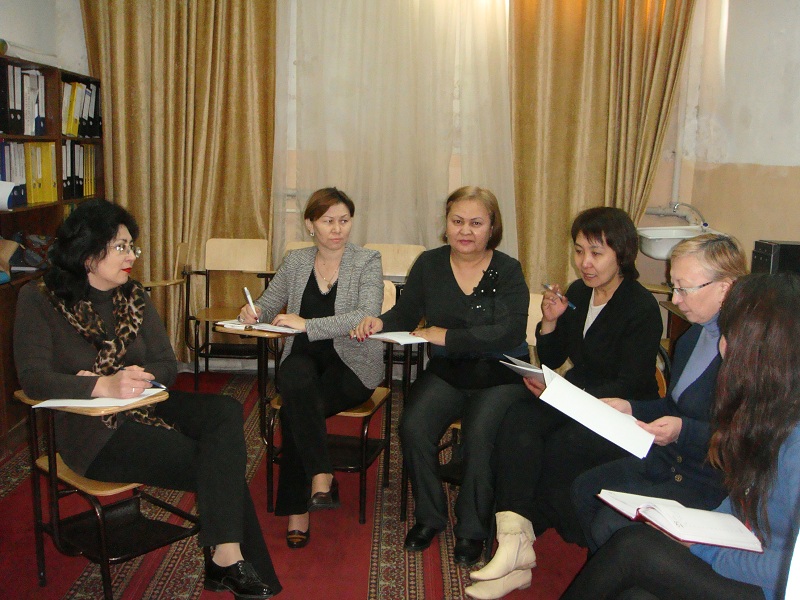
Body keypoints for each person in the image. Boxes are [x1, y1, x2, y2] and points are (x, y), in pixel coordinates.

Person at [13, 199, 280, 599]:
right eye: (121, 247)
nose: (132, 257)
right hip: (91, 430)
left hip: (144, 403)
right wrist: (102, 385)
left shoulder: (133, 295)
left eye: (131, 247)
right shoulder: (40, 299)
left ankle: (226, 558)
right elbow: (33, 379)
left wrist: (139, 378)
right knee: (215, 460)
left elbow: (167, 364)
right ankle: (228, 560)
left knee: (225, 411)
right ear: (88, 253)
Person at [561, 272, 800, 600]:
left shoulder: (794, 440)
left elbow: (789, 568)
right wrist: (697, 527)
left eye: (731, 335)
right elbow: (742, 501)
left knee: (633, 548)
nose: (722, 345)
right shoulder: (768, 408)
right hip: (746, 552)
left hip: (773, 585)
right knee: (634, 593)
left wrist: (702, 547)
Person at [464, 207, 663, 599]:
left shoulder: (640, 307)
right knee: (517, 421)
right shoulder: (579, 292)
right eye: (579, 251)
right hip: (577, 398)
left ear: (622, 255)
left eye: (596, 253)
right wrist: (550, 322)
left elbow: (629, 382)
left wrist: (567, 396)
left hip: (621, 414)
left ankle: (518, 551)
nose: (585, 263)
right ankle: (514, 545)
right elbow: (555, 357)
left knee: (556, 447)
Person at [353, 185, 530, 567]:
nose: (465, 230)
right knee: (413, 427)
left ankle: (472, 529)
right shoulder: (430, 264)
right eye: (457, 221)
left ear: (492, 227)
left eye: (476, 223)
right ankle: (430, 516)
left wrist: (446, 336)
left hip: (500, 374)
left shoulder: (508, 269)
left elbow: (510, 332)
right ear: (446, 224)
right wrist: (378, 321)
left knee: (481, 437)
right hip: (449, 371)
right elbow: (405, 314)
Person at [571, 233, 748, 555]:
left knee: (611, 524)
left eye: (684, 288)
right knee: (585, 488)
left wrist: (684, 431)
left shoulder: (748, 352)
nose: (675, 300)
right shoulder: (692, 338)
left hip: (711, 479)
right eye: (673, 287)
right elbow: (674, 404)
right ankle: (615, 568)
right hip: (672, 460)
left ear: (726, 287)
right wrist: (631, 407)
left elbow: (748, 439)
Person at [239, 187, 384, 549]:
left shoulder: (367, 260)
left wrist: (307, 324)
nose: (337, 229)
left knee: (295, 408)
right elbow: (269, 303)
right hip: (303, 359)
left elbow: (366, 314)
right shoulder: (296, 261)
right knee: (295, 379)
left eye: (344, 220)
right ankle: (320, 476)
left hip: (352, 363)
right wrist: (254, 312)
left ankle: (298, 507)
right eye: (328, 221)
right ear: (310, 224)